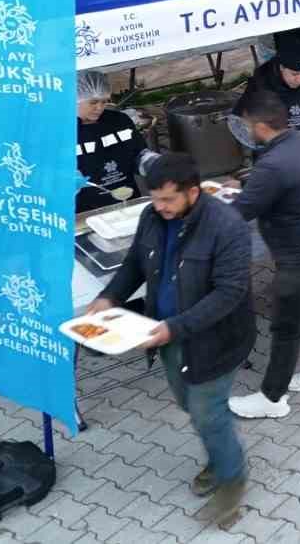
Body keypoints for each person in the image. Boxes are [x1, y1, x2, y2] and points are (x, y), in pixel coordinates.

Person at [88, 152, 254, 524]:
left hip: (214, 338)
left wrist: (172, 328)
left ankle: (232, 484)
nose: (159, 206)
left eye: (168, 199)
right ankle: (220, 454)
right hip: (166, 334)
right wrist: (109, 297)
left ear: (193, 193)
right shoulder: (152, 216)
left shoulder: (227, 226)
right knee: (190, 404)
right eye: (154, 198)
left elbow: (228, 294)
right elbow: (134, 263)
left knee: (207, 412)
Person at [225, 90, 300, 420]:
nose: (245, 131)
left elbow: (239, 214)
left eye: (247, 125)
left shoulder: (272, 165)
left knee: (286, 327)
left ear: (261, 126)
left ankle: (272, 398)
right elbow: (274, 189)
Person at [234, 36, 300, 148]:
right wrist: (259, 145)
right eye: (294, 74)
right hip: (276, 148)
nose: (299, 80)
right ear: (281, 67)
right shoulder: (262, 82)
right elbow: (239, 121)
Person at [75, 70, 153, 213]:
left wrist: (152, 163)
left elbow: (138, 154)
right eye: (93, 102)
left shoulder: (119, 121)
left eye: (104, 102)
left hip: (129, 202)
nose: (99, 108)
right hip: (86, 211)